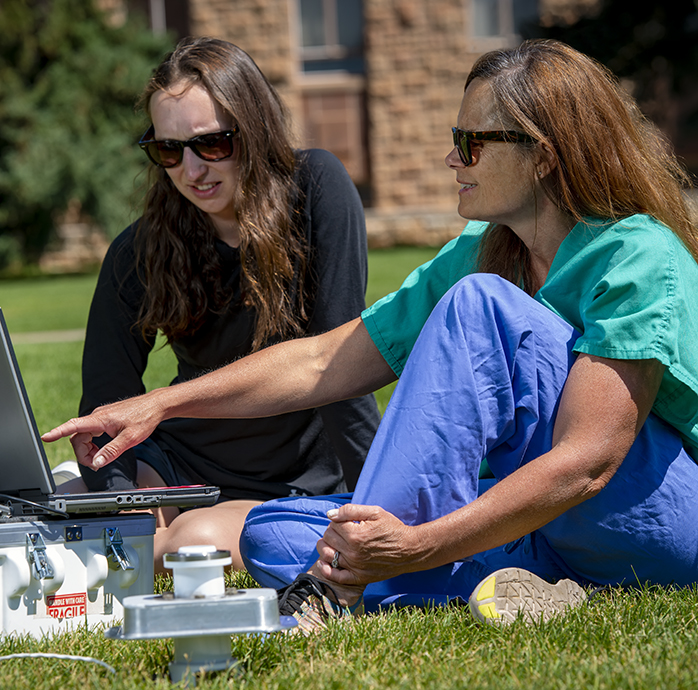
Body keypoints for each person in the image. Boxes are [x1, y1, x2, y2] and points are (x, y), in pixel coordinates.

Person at [44, 39, 698, 628]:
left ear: (543, 158)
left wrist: (416, 544)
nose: (450, 158)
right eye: (455, 137)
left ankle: (343, 588)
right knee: (270, 532)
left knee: (480, 309)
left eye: (472, 143)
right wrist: (161, 403)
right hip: (533, 525)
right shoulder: (482, 250)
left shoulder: (635, 254)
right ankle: (514, 585)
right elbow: (327, 359)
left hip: (646, 521)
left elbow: (589, 462)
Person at [62, 36, 380, 573]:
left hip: (292, 478)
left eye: (212, 144)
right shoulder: (139, 249)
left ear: (252, 133)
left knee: (190, 544)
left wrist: (378, 505)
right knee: (53, 497)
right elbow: (105, 406)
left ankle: (151, 545)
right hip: (179, 464)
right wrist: (119, 506)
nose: (191, 170)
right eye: (168, 150)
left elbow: (341, 367)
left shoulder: (317, 189)